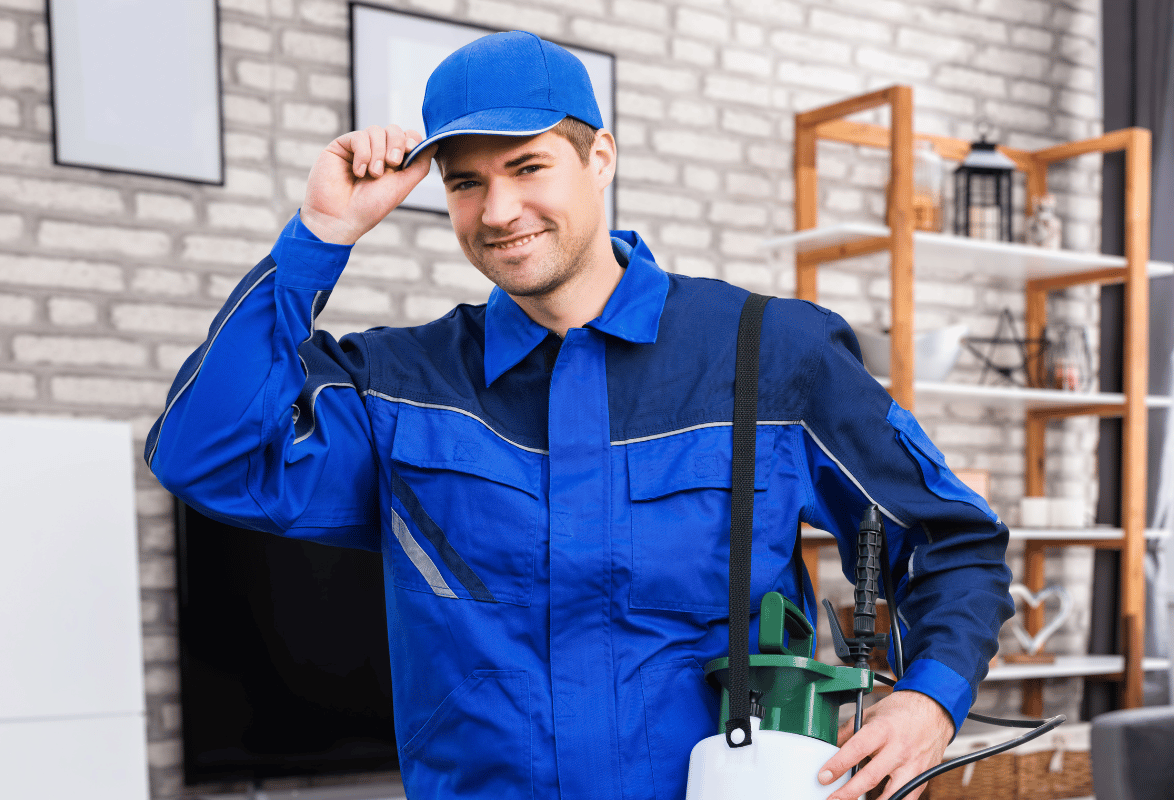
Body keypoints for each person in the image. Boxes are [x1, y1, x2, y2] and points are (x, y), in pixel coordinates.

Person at [147, 30, 1013, 800]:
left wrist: (929, 699)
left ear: (599, 157)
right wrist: (319, 235)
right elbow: (203, 454)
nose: (497, 213)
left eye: (527, 168)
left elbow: (953, 539)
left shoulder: (769, 353)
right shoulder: (397, 386)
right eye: (465, 184)